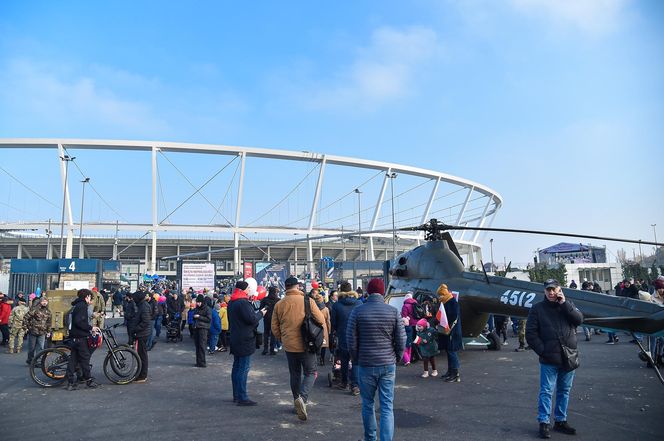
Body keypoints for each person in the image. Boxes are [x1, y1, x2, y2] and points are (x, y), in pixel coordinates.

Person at [347, 278, 406, 441]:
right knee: (387, 406)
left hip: (366, 364)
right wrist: (397, 357)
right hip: (388, 363)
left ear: (367, 291)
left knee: (367, 403)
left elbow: (351, 340)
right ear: (382, 292)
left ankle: (370, 438)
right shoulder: (393, 311)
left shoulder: (358, 311)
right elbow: (401, 338)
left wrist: (356, 359)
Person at [526, 279, 583, 439]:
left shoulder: (568, 305)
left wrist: (564, 304)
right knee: (546, 391)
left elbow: (579, 320)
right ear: (544, 291)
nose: (551, 292)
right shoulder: (537, 309)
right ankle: (544, 423)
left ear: (559, 289)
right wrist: (543, 351)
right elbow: (530, 333)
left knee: (564, 391)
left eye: (554, 289)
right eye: (548, 290)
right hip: (549, 358)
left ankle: (560, 421)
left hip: (569, 356)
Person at [272, 276, 325, 420]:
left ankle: (296, 401)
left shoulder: (279, 304)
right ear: (298, 286)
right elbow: (320, 319)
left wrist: (282, 338)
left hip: (289, 346)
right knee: (310, 372)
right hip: (307, 344)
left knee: (294, 374)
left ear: (286, 287)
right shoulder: (308, 301)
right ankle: (302, 398)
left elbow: (274, 327)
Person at [228, 281, 265, 406]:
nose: (250, 289)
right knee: (243, 369)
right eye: (249, 288)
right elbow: (252, 319)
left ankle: (236, 395)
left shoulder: (232, 302)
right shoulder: (243, 303)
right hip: (245, 340)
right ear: (244, 289)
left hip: (235, 338)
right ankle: (242, 397)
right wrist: (261, 313)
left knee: (236, 367)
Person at [65, 289, 102, 390]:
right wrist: (91, 328)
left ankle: (70, 382)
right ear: (87, 297)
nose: (90, 299)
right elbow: (79, 322)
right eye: (90, 297)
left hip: (74, 337)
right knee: (85, 359)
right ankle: (88, 380)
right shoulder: (82, 306)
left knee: (73, 360)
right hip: (80, 337)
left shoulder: (76, 305)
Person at [330, 282, 362, 394]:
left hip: (343, 336)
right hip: (357, 336)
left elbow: (333, 322)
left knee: (344, 360)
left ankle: (344, 382)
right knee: (356, 361)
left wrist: (336, 331)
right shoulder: (359, 303)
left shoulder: (337, 305)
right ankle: (355, 386)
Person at [436, 283, 463, 382]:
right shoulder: (447, 301)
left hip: (452, 331)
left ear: (444, 294)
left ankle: (455, 374)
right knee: (449, 351)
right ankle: (450, 371)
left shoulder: (451, 302)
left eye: (440, 295)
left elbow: (453, 317)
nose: (439, 297)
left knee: (452, 351)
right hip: (449, 331)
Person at [131, 290, 152, 383]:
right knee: (141, 354)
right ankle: (141, 374)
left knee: (142, 355)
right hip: (142, 333)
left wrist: (136, 329)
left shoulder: (143, 306)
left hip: (142, 334)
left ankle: (142, 375)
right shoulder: (143, 305)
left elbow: (145, 321)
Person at [24, 296, 52, 364]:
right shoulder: (34, 309)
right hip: (33, 331)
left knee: (40, 348)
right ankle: (30, 360)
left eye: (46, 301)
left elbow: (49, 322)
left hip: (42, 332)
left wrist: (48, 331)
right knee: (32, 348)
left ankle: (38, 361)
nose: (44, 302)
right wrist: (26, 328)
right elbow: (26, 318)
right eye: (43, 301)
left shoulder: (48, 311)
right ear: (40, 302)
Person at [400, 292, 419, 366]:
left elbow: (404, 316)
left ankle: (410, 357)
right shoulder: (416, 303)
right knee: (415, 340)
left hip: (409, 325)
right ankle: (415, 355)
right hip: (417, 324)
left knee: (408, 341)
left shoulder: (405, 306)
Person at [192, 294, 212, 367]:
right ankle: (198, 362)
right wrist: (194, 317)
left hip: (203, 329)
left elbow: (209, 319)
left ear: (202, 302)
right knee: (197, 346)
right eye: (197, 302)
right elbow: (194, 316)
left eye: (199, 302)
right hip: (196, 327)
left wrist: (199, 317)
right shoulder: (197, 308)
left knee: (202, 346)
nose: (198, 303)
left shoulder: (207, 309)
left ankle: (202, 362)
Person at [259, 286, 279, 355]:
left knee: (266, 334)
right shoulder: (278, 300)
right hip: (274, 319)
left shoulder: (264, 300)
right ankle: (272, 349)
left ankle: (265, 349)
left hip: (266, 318)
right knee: (273, 334)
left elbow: (260, 309)